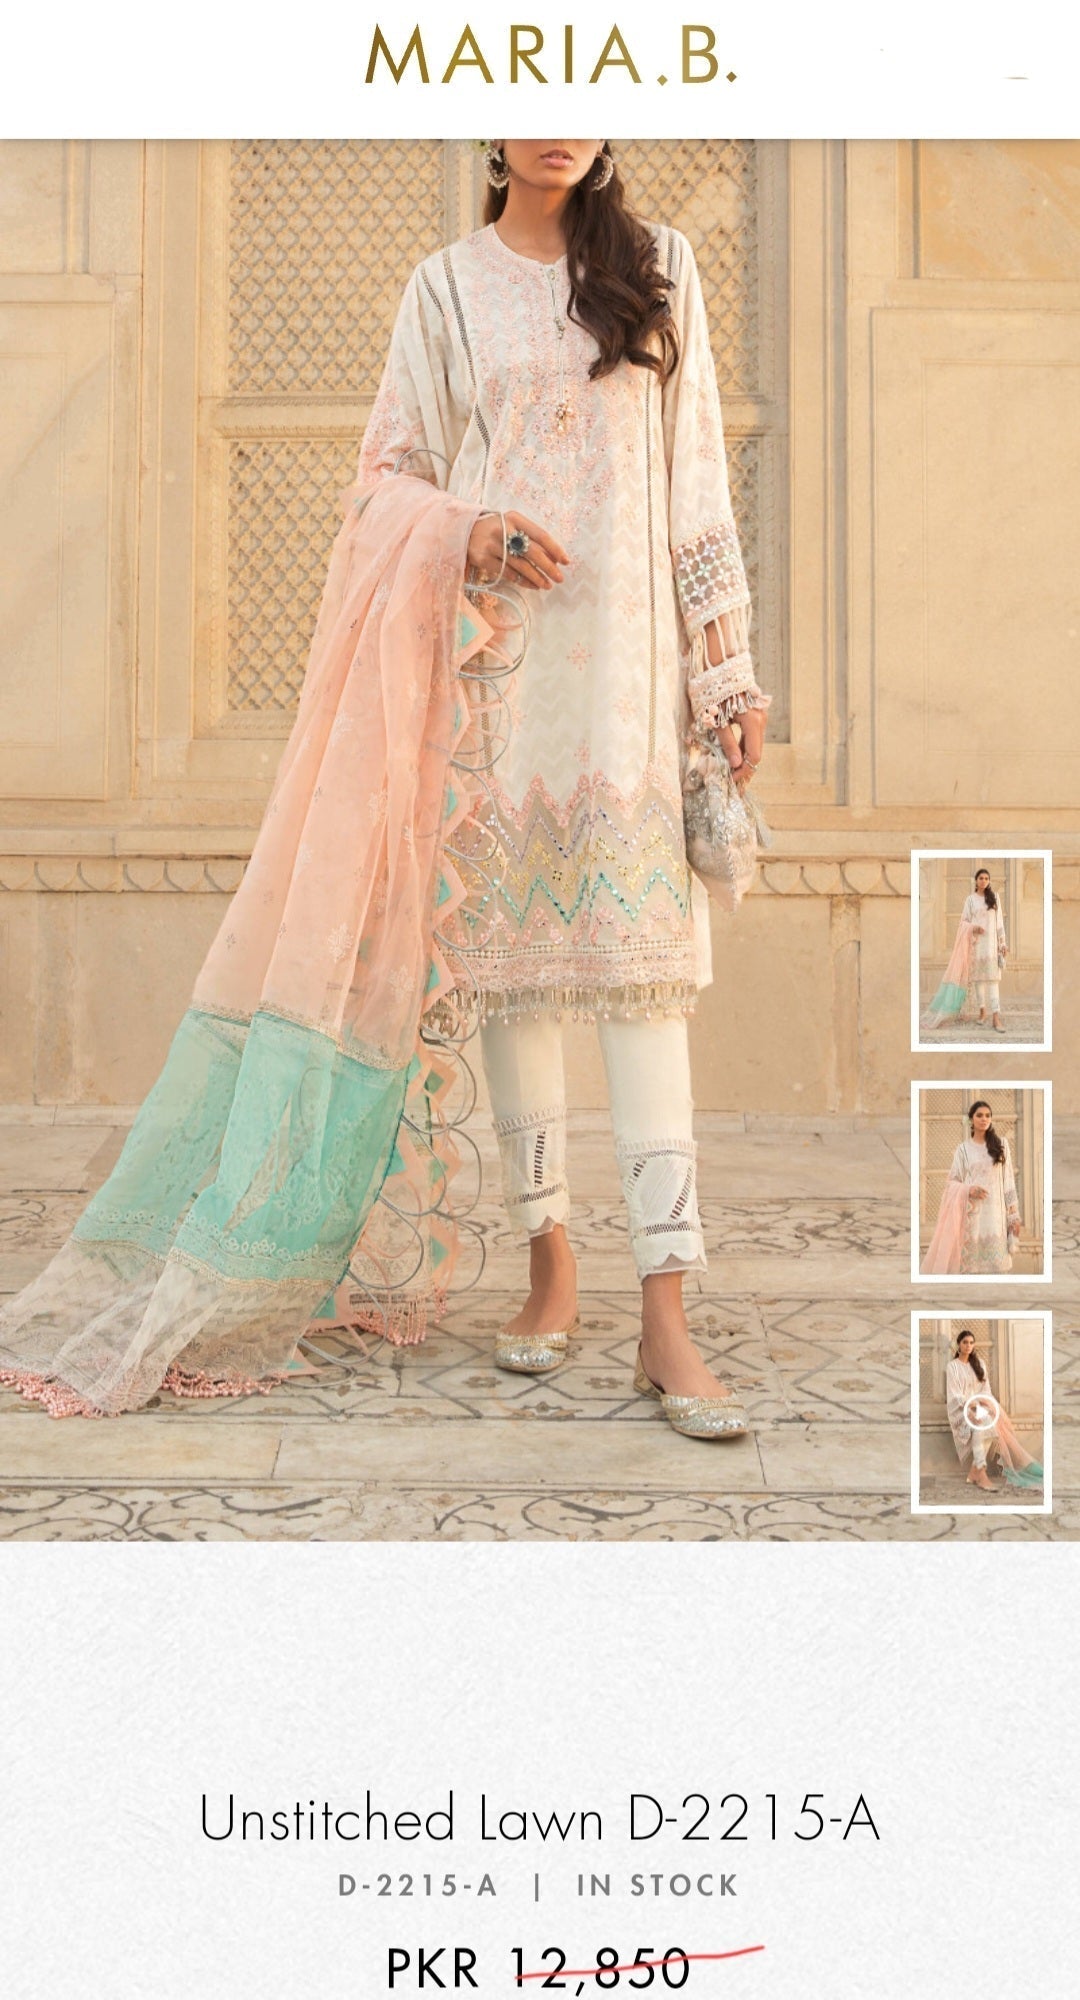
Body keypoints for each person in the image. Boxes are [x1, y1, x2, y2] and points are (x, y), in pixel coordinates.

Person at [357, 139, 769, 1439]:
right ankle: (549, 1265)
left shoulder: (662, 268)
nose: (559, 122)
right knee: (516, 981)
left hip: (632, 690)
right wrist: (472, 531)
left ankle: (666, 1312)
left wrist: (726, 674)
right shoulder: (446, 287)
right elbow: (387, 475)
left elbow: (696, 478)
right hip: (502, 676)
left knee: (644, 985)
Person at [921, 1101, 1022, 1276]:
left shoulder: (1001, 1145)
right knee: (973, 1270)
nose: (984, 1119)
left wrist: (1013, 1216)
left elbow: (1008, 1181)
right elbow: (952, 1182)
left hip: (996, 1219)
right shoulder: (963, 1150)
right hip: (973, 1217)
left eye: (988, 1115)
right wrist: (968, 1190)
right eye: (979, 1115)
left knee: (998, 1269)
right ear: (971, 1120)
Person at [944, 1330, 1043, 1491]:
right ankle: (980, 1473)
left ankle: (977, 1472)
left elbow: (986, 1391)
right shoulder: (952, 1366)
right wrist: (972, 1407)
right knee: (984, 1423)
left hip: (980, 1405)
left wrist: (983, 1405)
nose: (968, 1346)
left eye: (971, 1343)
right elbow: (954, 1395)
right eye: (965, 1342)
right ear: (959, 1345)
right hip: (961, 1410)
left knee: (989, 1422)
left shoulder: (980, 1364)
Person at [922, 866, 1008, 1033]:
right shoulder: (970, 900)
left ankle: (996, 1017)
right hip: (976, 946)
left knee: (993, 981)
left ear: (989, 881)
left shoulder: (995, 898)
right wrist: (974, 928)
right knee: (978, 981)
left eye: (986, 878)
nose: (984, 881)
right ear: (976, 881)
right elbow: (963, 922)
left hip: (992, 948)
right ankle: (982, 1012)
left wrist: (1003, 944)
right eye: (981, 878)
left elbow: (999, 924)